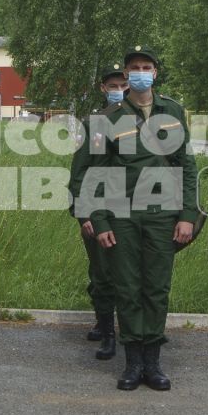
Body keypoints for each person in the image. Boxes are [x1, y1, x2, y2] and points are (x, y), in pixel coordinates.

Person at [80, 44, 198, 391]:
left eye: (147, 66)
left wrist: (187, 216)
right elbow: (96, 175)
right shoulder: (108, 120)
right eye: (135, 67)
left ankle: (153, 363)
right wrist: (100, 221)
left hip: (163, 215)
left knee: (156, 288)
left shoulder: (172, 111)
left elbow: (186, 167)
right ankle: (132, 364)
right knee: (129, 288)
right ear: (127, 75)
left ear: (155, 73)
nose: (140, 72)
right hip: (122, 217)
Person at [69, 63, 128, 360]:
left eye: (123, 84)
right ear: (103, 88)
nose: (119, 90)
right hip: (100, 207)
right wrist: (84, 215)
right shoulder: (95, 124)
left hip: (135, 210)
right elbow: (80, 173)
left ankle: (139, 329)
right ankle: (107, 333)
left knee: (136, 275)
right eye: (113, 85)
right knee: (103, 274)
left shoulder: (147, 120)